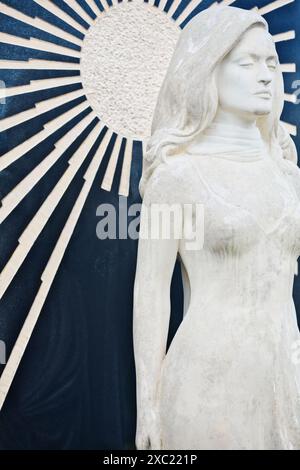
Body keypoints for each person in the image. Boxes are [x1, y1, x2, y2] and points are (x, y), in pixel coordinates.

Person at [133, 6, 300, 450]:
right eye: (247, 63)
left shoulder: (288, 177)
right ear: (207, 71)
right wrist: (146, 405)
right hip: (207, 387)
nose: (265, 75)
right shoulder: (177, 177)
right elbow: (150, 294)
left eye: (270, 63)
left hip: (287, 377)